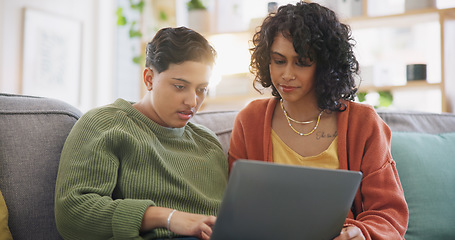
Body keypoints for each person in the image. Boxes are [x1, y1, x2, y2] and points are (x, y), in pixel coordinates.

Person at [228, 2, 408, 240]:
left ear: (325, 65)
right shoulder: (249, 120)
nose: (287, 74)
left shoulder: (363, 123)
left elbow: (389, 213)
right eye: (279, 61)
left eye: (302, 62)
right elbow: (237, 210)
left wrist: (360, 232)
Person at [55, 27, 227, 240]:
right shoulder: (105, 125)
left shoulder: (208, 142)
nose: (192, 102)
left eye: (201, 89)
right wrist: (169, 217)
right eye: (180, 86)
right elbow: (73, 215)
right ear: (148, 79)